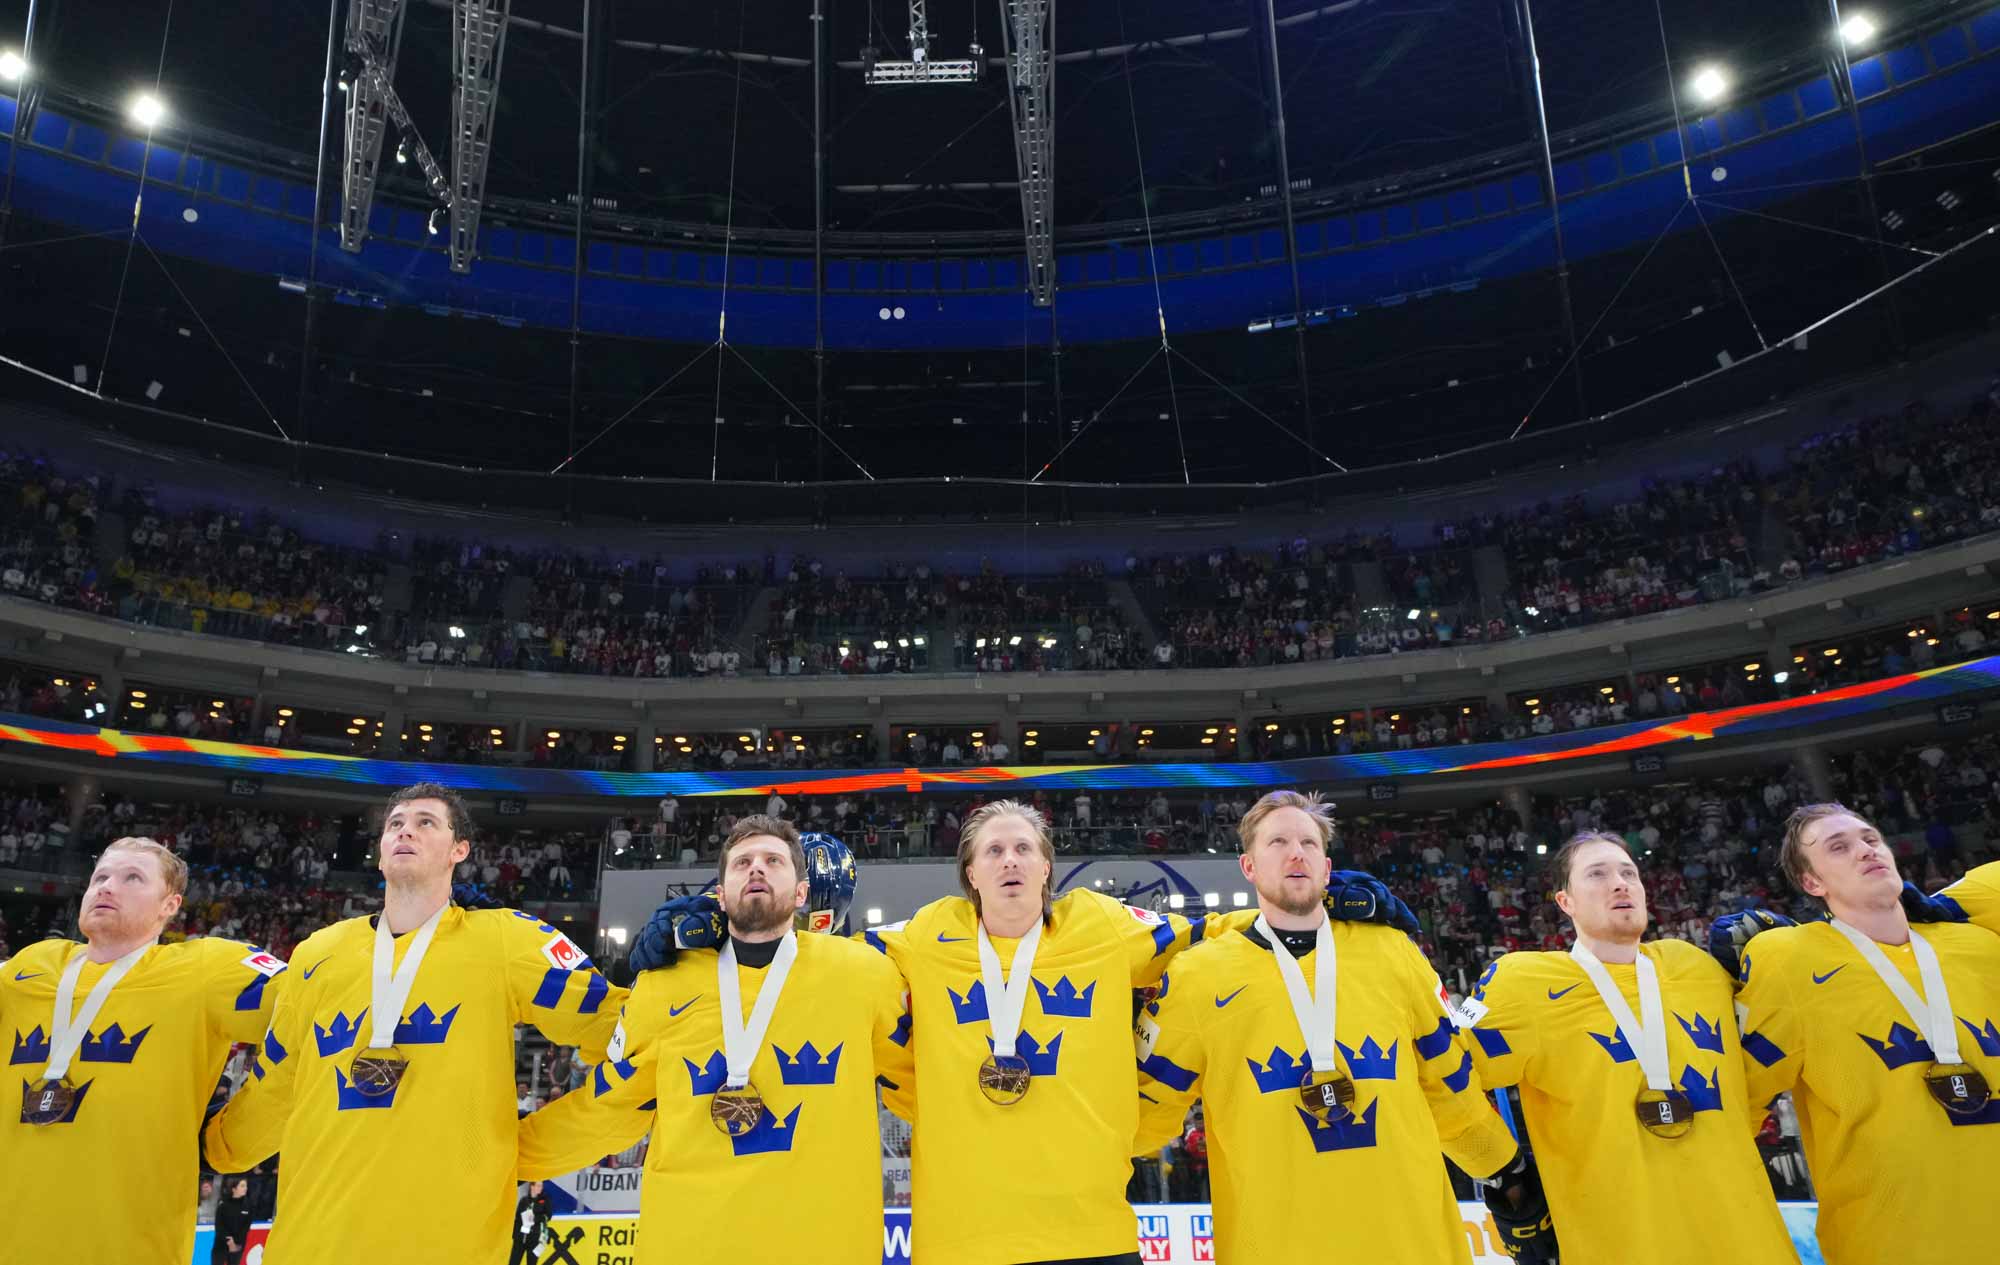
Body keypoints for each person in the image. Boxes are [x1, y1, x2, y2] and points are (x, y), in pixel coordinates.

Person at [202, 783, 626, 1265]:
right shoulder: (317, 954)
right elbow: (276, 1085)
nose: (406, 831)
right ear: (381, 852)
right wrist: (214, 1146)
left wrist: (535, 1148)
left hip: (449, 1247)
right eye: (395, 824)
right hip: (311, 1244)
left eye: (426, 822)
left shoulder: (506, 943)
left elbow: (624, 1037)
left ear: (459, 850)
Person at [1132, 792, 1520, 1264]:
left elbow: (1451, 1086)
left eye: (1309, 843)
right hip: (1276, 1248)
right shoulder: (1197, 975)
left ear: (1328, 867)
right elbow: (1145, 1110)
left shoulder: (1393, 952)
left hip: (1413, 1241)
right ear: (1248, 866)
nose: (1296, 853)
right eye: (1278, 842)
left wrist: (1508, 1172)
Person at [516, 819, 907, 1264]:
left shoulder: (866, 974)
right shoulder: (665, 985)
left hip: (824, 1245)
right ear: (717, 895)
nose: (757, 869)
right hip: (688, 1244)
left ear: (801, 892)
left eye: (773, 861)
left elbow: (930, 1065)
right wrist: (504, 1157)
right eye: (743, 862)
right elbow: (609, 1110)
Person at [1453, 832, 1795, 1263]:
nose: (1620, 883)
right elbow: (1441, 1074)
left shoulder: (1697, 967)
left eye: (1629, 873)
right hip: (1618, 1245)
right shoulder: (1522, 984)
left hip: (1750, 1241)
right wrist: (1504, 1172)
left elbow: (1778, 1042)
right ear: (1565, 902)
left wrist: (1782, 950)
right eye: (1597, 874)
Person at [0, 837, 288, 1265]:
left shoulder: (206, 970)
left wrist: (239, 1133)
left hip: (133, 1248)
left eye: (132, 878)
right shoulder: (30, 967)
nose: (106, 886)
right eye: (100, 877)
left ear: (169, 905)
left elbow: (313, 1014)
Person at [1734, 804, 2000, 1265]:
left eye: (1870, 839)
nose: (1865, 850)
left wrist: (1956, 904)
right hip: (1894, 1243)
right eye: (1838, 847)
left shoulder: (1980, 945)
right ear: (1812, 883)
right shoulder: (1788, 960)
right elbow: (1737, 1107)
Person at [213, 1175, 256, 1265]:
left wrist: (235, 1243)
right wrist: (229, 1241)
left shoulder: (248, 1205)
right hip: (221, 1245)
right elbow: (219, 1225)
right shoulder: (223, 1204)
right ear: (234, 1189)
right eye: (242, 1186)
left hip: (238, 1246)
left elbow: (246, 1227)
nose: (246, 1188)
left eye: (246, 1186)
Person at [508, 1179, 552, 1265]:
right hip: (520, 1238)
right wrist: (516, 1235)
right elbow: (517, 1217)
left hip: (534, 1238)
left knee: (532, 1262)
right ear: (532, 1186)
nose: (540, 1188)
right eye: (538, 1186)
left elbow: (548, 1216)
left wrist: (534, 1218)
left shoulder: (545, 1200)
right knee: (514, 1262)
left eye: (541, 1186)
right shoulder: (524, 1201)